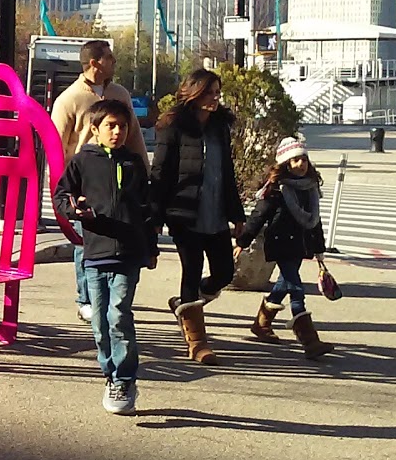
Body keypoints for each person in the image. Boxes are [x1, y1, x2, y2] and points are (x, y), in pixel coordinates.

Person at [53, 99, 158, 414]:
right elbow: (61, 195)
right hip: (95, 253)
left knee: (118, 315)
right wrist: (75, 209)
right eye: (111, 125)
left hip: (129, 253)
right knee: (99, 323)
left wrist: (150, 248)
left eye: (123, 126)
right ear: (95, 129)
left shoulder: (134, 163)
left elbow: (148, 210)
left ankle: (124, 379)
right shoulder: (83, 161)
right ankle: (109, 373)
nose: (117, 131)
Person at [149, 68, 244, 365]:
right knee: (191, 270)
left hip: (215, 213)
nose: (215, 98)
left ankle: (185, 306)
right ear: (195, 92)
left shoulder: (219, 127)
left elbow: (227, 173)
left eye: (217, 92)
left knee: (225, 273)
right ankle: (197, 341)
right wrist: (155, 216)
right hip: (184, 213)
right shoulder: (173, 125)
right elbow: (160, 173)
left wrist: (237, 213)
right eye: (209, 92)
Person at [50, 39, 148, 324]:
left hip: (121, 177)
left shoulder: (120, 94)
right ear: (95, 62)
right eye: (110, 58)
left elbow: (135, 136)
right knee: (85, 241)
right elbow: (56, 144)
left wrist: (143, 168)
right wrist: (61, 188)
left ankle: (111, 294)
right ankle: (86, 299)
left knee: (119, 237)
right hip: (85, 181)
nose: (114, 63)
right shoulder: (68, 99)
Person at [234, 137, 335, 360]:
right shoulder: (276, 191)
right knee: (296, 289)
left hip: (300, 245)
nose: (301, 164)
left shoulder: (310, 190)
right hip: (280, 243)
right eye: (295, 160)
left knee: (283, 286)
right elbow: (258, 217)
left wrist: (319, 249)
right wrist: (242, 242)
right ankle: (309, 340)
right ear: (286, 164)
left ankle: (261, 324)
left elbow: (314, 222)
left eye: (304, 160)